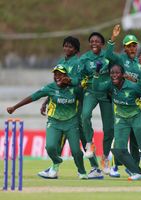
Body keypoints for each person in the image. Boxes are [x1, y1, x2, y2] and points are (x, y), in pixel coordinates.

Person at [7, 65, 87, 179]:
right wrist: (15, 107)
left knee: (76, 151)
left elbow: (85, 93)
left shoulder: (74, 88)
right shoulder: (50, 87)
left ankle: (82, 171)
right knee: (50, 147)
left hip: (71, 122)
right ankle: (57, 161)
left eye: (60, 74)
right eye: (55, 74)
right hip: (54, 122)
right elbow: (33, 96)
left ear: (66, 76)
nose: (57, 77)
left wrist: (74, 84)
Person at [39, 36, 102, 179]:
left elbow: (79, 82)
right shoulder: (61, 62)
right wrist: (46, 100)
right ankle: (54, 168)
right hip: (63, 105)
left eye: (70, 47)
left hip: (76, 104)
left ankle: (95, 167)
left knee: (84, 137)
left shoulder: (78, 63)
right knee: (62, 137)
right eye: (65, 46)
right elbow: (56, 85)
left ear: (76, 50)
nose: (67, 49)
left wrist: (70, 81)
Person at [93, 64, 141, 181]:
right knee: (117, 150)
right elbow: (97, 87)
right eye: (112, 73)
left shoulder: (133, 87)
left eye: (117, 73)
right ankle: (137, 172)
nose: (114, 75)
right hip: (121, 119)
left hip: (137, 117)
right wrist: (96, 73)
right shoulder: (110, 85)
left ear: (122, 75)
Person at [105, 24, 141, 177]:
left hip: (135, 105)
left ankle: (133, 167)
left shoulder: (138, 65)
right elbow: (108, 55)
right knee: (120, 137)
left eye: (134, 45)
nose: (132, 48)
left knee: (135, 141)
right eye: (129, 46)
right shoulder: (121, 59)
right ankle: (115, 166)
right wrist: (113, 37)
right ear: (125, 48)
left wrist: (132, 81)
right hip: (120, 104)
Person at [79, 32, 114, 175]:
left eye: (97, 41)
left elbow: (116, 71)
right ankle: (89, 143)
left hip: (106, 93)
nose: (94, 43)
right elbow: (79, 75)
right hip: (91, 92)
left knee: (109, 128)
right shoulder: (85, 58)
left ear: (102, 44)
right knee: (85, 115)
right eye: (92, 41)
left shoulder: (108, 56)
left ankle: (105, 157)